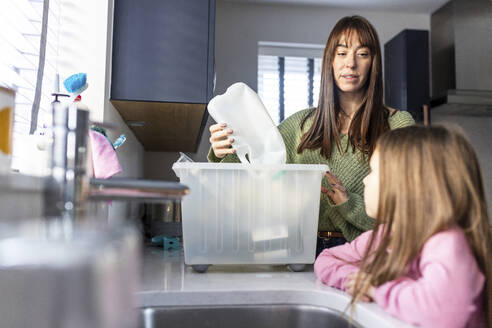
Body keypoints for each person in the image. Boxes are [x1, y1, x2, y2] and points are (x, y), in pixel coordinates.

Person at [208, 16, 414, 255]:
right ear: (330, 61)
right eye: (342, 53)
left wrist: (349, 205)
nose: (351, 63)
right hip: (296, 250)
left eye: (363, 54)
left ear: (373, 63)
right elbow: (256, 169)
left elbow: (407, 212)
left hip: (363, 255)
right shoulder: (301, 125)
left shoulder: (397, 125)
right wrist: (224, 150)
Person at [314, 125, 492, 328]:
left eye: (373, 171)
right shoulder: (383, 236)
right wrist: (359, 280)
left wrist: (378, 287)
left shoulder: (447, 242)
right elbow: (326, 259)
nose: (365, 179)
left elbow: (443, 312)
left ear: (407, 185)